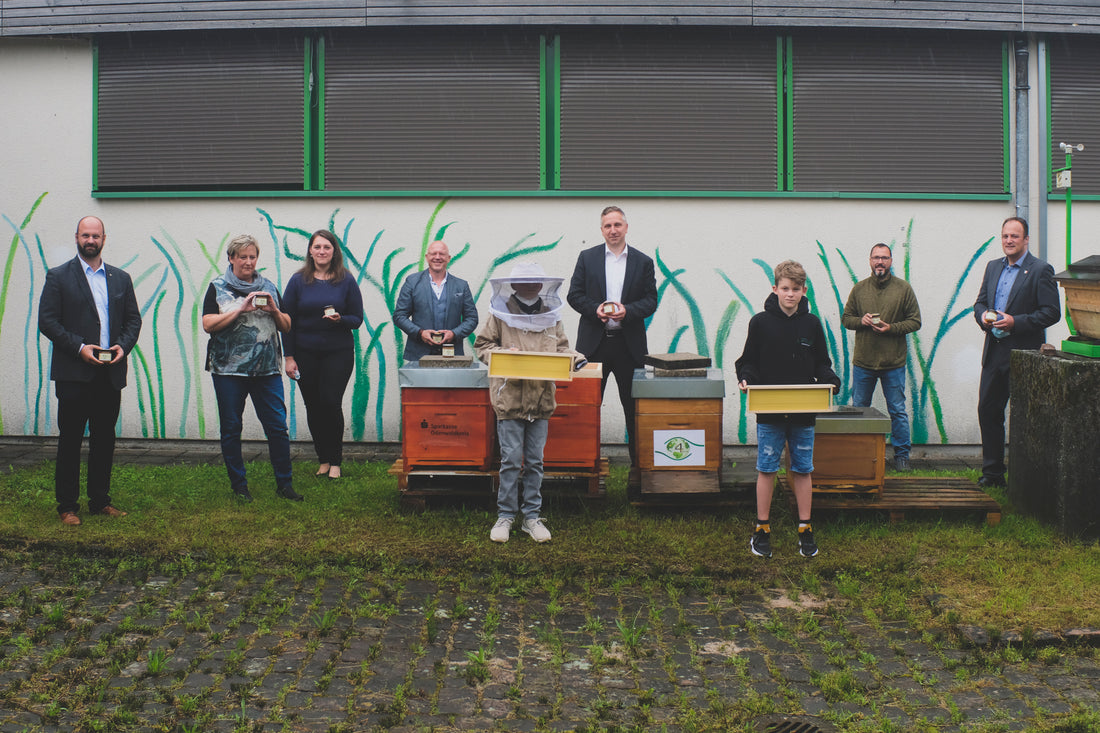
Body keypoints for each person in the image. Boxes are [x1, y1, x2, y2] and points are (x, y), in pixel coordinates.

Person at [38, 215, 142, 526]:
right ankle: (67, 506)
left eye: (95, 235)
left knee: (104, 439)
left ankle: (100, 501)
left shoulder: (120, 278)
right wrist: (80, 348)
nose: (90, 240)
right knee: (70, 439)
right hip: (74, 372)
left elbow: (133, 320)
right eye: (85, 235)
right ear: (76, 237)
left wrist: (123, 346)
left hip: (109, 374)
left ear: (104, 239)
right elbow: (48, 322)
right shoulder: (58, 277)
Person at [735, 260, 841, 559]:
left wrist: (831, 380)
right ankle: (762, 528)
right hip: (769, 411)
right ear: (775, 289)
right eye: (785, 289)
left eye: (796, 289)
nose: (790, 295)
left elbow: (822, 362)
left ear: (804, 291)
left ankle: (805, 527)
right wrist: (746, 379)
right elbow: (748, 362)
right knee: (767, 469)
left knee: (803, 469)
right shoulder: (759, 322)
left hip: (803, 413)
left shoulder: (812, 323)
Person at [474, 262, 580, 544]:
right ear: (515, 285)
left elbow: (561, 348)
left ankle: (531, 517)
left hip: (542, 398)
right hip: (509, 398)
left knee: (535, 461)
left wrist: (575, 357)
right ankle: (505, 515)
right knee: (510, 460)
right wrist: (503, 353)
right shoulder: (499, 314)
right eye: (525, 281)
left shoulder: (551, 315)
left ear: (542, 285)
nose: (531, 286)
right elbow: (482, 346)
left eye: (536, 282)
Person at [202, 234, 302, 502]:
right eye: (243, 257)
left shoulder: (268, 286)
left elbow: (287, 325)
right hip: (228, 372)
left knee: (277, 428)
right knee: (232, 428)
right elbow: (208, 324)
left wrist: (274, 310)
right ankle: (240, 486)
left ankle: (285, 484)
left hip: (266, 370)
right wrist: (240, 309)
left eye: (252, 257)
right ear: (231, 258)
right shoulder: (218, 286)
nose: (248, 262)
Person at [973, 216, 1060, 488]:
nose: (1009, 241)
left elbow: (1051, 312)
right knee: (988, 412)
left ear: (1026, 240)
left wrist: (1015, 322)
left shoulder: (1040, 269)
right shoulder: (992, 267)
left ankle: (1027, 481)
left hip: (1024, 355)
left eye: (1014, 236)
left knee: (1024, 419)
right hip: (994, 352)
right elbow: (979, 304)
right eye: (1005, 236)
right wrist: (984, 317)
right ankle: (993, 475)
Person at [566, 206, 658, 465]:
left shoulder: (643, 261)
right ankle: (584, 466)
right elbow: (574, 295)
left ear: (626, 227)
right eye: (608, 226)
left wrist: (627, 311)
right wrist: (594, 309)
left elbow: (651, 300)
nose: (613, 230)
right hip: (594, 346)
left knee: (634, 411)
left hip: (629, 347)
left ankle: (638, 471)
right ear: (601, 230)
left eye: (617, 225)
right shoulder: (587, 257)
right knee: (587, 411)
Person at [282, 230, 364, 480]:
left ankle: (336, 460)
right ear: (310, 251)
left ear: (334, 251)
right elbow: (287, 321)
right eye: (317, 247)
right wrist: (289, 357)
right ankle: (323, 459)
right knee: (314, 407)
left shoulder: (346, 280)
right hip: (305, 354)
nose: (321, 251)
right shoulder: (298, 281)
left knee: (330, 402)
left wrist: (341, 320)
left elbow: (357, 319)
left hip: (337, 353)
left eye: (326, 247)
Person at [841, 243, 922, 471]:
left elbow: (915, 321)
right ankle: (860, 455)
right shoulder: (859, 289)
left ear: (891, 261)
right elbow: (846, 319)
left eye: (884, 258)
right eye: (876, 257)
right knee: (860, 410)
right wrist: (862, 321)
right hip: (864, 362)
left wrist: (891, 328)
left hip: (893, 362)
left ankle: (902, 456)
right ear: (869, 260)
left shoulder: (903, 289)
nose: (880, 262)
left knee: (897, 410)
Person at [393, 240, 478, 362]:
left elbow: (472, 318)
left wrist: (454, 334)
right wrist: (420, 333)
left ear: (448, 258)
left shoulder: (461, 286)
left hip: (452, 355)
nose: (437, 257)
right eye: (433, 254)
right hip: (419, 356)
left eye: (442, 254)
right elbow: (399, 316)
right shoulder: (412, 282)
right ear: (427, 257)